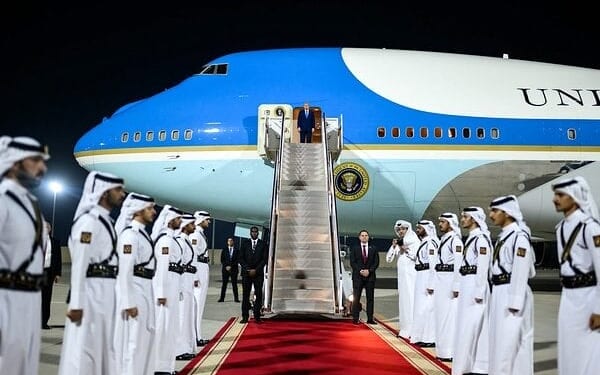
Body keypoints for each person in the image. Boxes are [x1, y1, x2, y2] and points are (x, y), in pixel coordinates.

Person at [57, 171, 125, 375]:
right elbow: (79, 264)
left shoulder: (105, 222)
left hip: (105, 292)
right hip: (90, 293)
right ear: (104, 193)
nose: (122, 194)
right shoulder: (88, 222)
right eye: (117, 190)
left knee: (101, 348)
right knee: (83, 350)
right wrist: (76, 303)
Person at [0, 136, 49, 375]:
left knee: (24, 364)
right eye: (35, 161)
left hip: (29, 299)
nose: (43, 168)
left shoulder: (30, 204)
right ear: (15, 163)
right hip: (5, 300)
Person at [551, 176, 600, 375]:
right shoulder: (561, 227)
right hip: (568, 297)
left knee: (588, 350)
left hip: (588, 298)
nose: (555, 199)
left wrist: (599, 309)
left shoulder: (591, 228)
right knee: (568, 348)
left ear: (575, 197)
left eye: (561, 195)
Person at [488, 195, 535, 375]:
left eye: (495, 211)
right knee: (501, 339)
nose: (491, 215)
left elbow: (523, 270)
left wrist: (515, 301)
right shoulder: (505, 236)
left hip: (513, 291)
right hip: (501, 290)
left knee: (514, 340)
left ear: (507, 213)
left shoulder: (519, 237)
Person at [114, 192, 157, 375]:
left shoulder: (141, 234)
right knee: (133, 342)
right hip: (136, 291)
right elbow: (124, 270)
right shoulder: (129, 236)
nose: (154, 212)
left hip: (145, 289)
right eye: (149, 208)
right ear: (138, 210)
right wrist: (128, 302)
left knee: (143, 340)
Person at [452, 207, 491, 375]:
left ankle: (478, 366)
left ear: (474, 219)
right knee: (466, 326)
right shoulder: (472, 238)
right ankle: (468, 364)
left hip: (475, 286)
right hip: (468, 284)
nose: (462, 220)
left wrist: (479, 291)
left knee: (474, 327)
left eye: (465, 217)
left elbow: (482, 267)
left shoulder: (481, 239)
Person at [151, 205, 184, 375]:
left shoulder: (171, 239)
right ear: (171, 220)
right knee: (163, 327)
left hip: (172, 284)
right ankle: (159, 367)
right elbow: (163, 267)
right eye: (178, 218)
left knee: (170, 327)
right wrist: (162, 293)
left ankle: (167, 367)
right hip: (166, 287)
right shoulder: (165, 240)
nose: (181, 221)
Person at [432, 212, 463, 362]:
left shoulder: (455, 241)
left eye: (443, 222)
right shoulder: (444, 239)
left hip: (449, 280)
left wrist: (456, 285)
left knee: (448, 317)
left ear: (450, 223)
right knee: (441, 316)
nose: (440, 224)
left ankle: (449, 351)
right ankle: (442, 350)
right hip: (441, 279)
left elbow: (458, 264)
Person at [385, 220, 417, 339]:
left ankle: (412, 330)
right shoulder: (399, 242)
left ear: (408, 229)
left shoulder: (414, 240)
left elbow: (417, 257)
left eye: (403, 229)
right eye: (399, 230)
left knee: (411, 303)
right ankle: (405, 329)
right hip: (403, 279)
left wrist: (405, 250)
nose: (401, 231)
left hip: (412, 278)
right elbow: (388, 259)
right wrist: (394, 247)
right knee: (403, 303)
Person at [411, 220, 438, 347]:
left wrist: (431, 283)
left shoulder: (431, 243)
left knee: (427, 308)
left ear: (426, 229)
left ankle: (430, 338)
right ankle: (421, 335)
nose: (417, 230)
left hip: (427, 276)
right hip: (421, 275)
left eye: (419, 228)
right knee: (420, 308)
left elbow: (433, 265)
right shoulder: (424, 242)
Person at [174, 214, 197, 360]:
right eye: (192, 224)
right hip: (182, 282)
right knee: (181, 316)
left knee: (187, 314)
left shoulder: (186, 240)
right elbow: (178, 265)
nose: (194, 227)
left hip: (187, 281)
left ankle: (185, 347)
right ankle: (179, 350)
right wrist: (180, 287)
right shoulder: (181, 242)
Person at [190, 210, 211, 347]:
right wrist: (195, 277)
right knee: (197, 305)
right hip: (199, 270)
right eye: (207, 220)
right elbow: (192, 256)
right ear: (200, 220)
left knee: (200, 305)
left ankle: (197, 334)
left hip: (203, 268)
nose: (209, 222)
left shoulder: (200, 234)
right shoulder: (196, 236)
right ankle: (195, 336)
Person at [350, 229, 380, 324]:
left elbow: (376, 262)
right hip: (358, 277)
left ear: (368, 237)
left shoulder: (373, 248)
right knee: (356, 298)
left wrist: (369, 271)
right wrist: (360, 270)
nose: (364, 237)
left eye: (366, 235)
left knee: (370, 299)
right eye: (362, 235)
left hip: (370, 277)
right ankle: (355, 318)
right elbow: (352, 262)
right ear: (359, 237)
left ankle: (370, 319)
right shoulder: (355, 248)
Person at [239, 226, 267, 323]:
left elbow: (264, 259)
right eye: (252, 232)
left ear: (258, 233)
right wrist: (248, 269)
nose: (254, 233)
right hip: (246, 274)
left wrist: (256, 270)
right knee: (245, 296)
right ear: (250, 233)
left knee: (258, 295)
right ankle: (245, 317)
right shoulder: (244, 243)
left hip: (258, 274)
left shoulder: (263, 244)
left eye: (256, 232)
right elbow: (241, 258)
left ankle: (257, 316)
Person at [41, 220, 62, 329]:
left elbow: (58, 259)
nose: (45, 229)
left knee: (46, 297)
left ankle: (44, 321)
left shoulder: (55, 242)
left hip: (49, 272)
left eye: (47, 227)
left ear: (49, 229)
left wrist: (58, 274)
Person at [219, 237, 240, 303]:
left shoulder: (237, 250)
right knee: (224, 284)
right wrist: (226, 266)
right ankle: (222, 298)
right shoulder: (224, 250)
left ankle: (236, 299)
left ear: (233, 242)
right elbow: (222, 259)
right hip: (225, 270)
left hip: (234, 269)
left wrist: (231, 266)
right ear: (227, 242)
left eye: (231, 241)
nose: (230, 242)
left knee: (234, 284)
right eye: (228, 241)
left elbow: (238, 260)